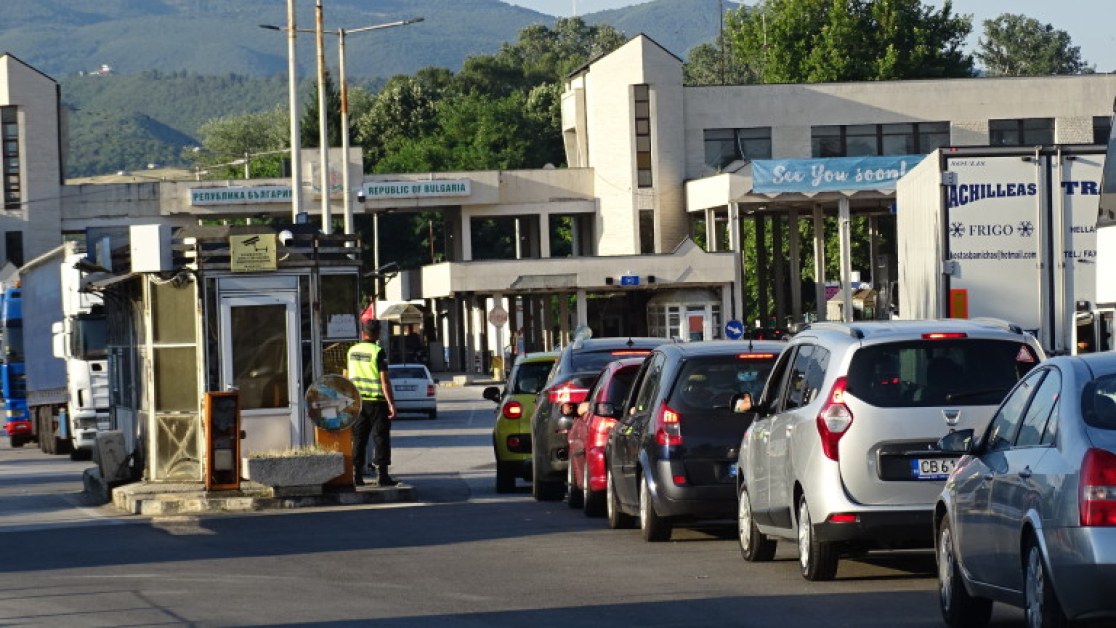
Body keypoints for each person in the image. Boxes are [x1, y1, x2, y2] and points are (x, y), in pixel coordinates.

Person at [345, 319, 397, 486]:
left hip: (357, 402)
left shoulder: (352, 351)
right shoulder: (378, 351)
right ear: (377, 334)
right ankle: (382, 476)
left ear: (363, 333)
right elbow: (385, 381)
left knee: (358, 439)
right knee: (380, 438)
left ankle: (356, 476)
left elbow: (345, 376)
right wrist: (391, 404)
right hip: (377, 402)